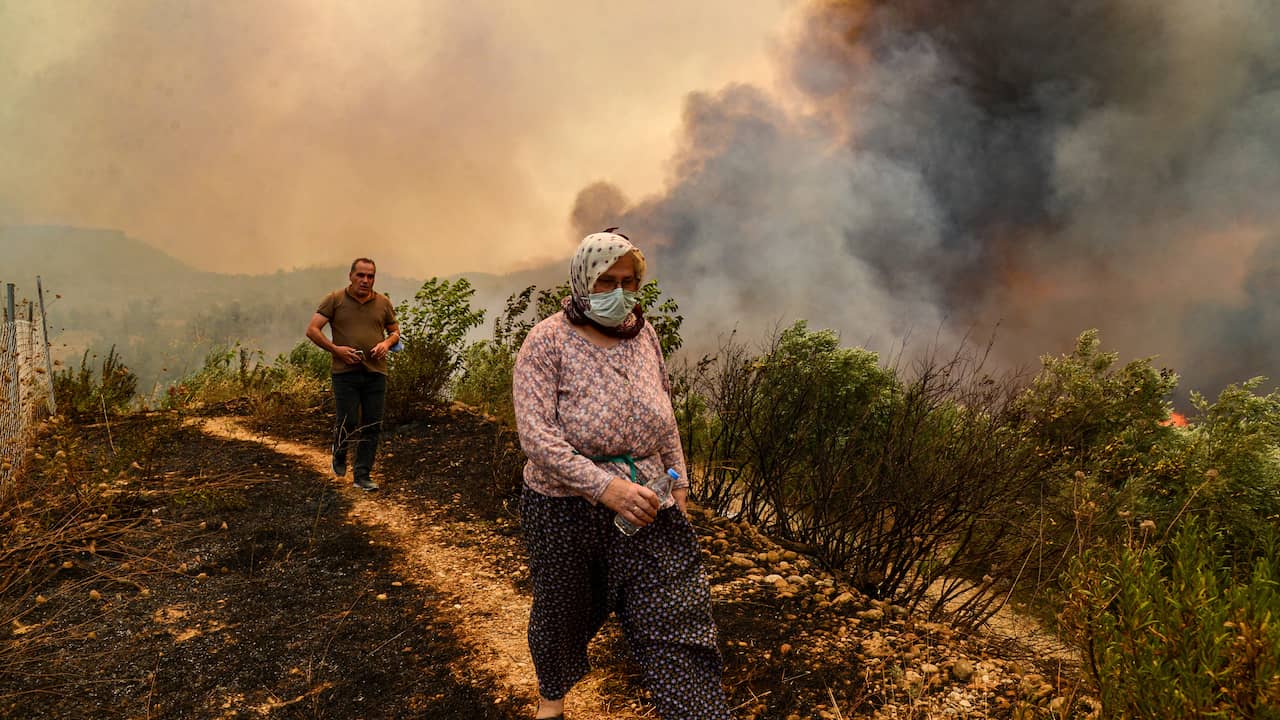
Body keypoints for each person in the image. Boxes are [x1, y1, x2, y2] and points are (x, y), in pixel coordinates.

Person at [513, 230, 731, 720]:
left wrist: (679, 483)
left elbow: (664, 415)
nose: (618, 293)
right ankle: (553, 700)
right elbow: (537, 439)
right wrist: (605, 488)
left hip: (649, 506)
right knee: (564, 612)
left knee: (677, 616)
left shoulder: (644, 334)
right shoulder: (546, 342)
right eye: (605, 281)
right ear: (581, 280)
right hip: (563, 510)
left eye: (628, 282)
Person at [306, 257, 400, 492]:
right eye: (361, 275)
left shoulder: (383, 303)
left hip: (376, 372)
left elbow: (395, 332)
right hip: (344, 373)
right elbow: (312, 330)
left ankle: (362, 474)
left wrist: (386, 344)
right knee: (348, 420)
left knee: (373, 424)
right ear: (351, 276)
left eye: (370, 276)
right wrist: (336, 350)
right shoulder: (335, 300)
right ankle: (339, 454)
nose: (365, 280)